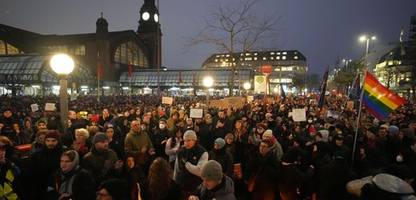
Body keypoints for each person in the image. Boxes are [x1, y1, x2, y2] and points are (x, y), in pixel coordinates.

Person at [174, 130, 208, 197]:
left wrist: (186, 164)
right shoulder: (181, 151)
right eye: (184, 141)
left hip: (195, 187)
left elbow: (200, 171)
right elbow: (176, 168)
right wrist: (175, 181)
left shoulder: (202, 152)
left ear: (194, 140)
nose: (186, 143)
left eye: (189, 140)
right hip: (181, 185)